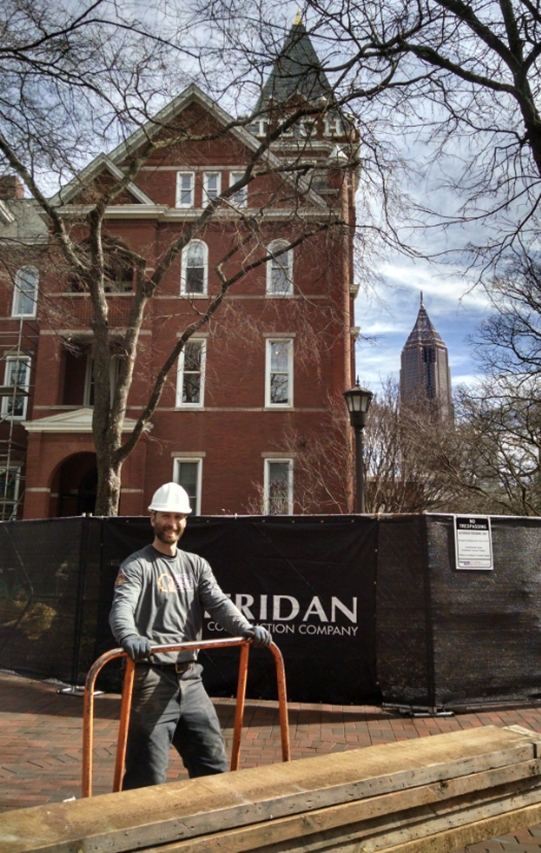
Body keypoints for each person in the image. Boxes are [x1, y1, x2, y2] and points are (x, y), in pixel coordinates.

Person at [109, 482, 271, 789]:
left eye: (179, 517)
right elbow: (122, 607)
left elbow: (220, 604)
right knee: (148, 774)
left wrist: (246, 629)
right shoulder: (137, 566)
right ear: (152, 518)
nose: (172, 523)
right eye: (166, 516)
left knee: (213, 764)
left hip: (190, 679)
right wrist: (128, 636)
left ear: (186, 521)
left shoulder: (196, 565)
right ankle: (141, 832)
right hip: (151, 679)